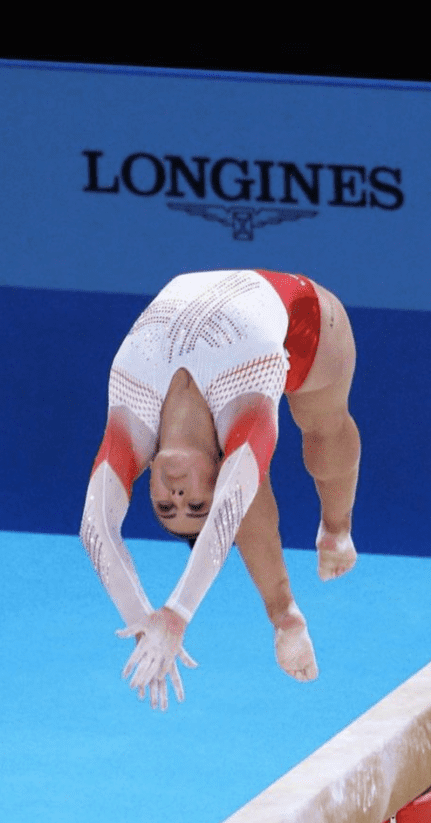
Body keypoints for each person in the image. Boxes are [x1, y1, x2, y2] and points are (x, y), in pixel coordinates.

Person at [80, 269, 360, 709]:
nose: (176, 497)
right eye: (194, 503)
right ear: (219, 465)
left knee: (325, 428)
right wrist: (176, 615)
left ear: (146, 477)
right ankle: (290, 607)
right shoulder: (244, 420)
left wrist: (147, 621)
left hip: (277, 302)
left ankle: (336, 527)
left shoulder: (131, 424)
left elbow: (95, 527)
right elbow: (230, 507)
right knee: (312, 441)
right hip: (303, 327)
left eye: (165, 507)